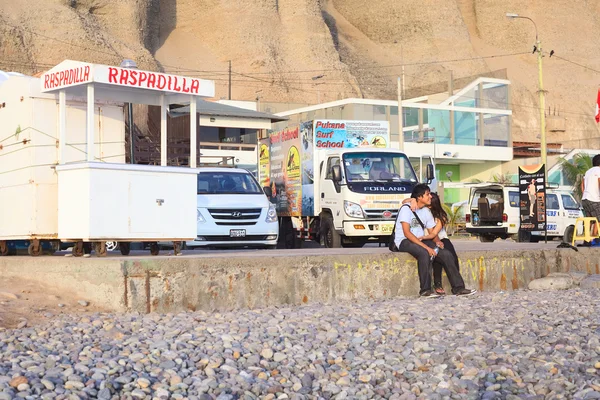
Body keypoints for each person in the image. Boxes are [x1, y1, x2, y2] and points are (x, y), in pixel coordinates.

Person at [392, 184, 476, 298]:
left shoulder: (426, 211)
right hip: (404, 240)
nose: (430, 196)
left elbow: (432, 232)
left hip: (420, 239)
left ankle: (458, 288)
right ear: (420, 197)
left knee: (446, 253)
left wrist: (437, 242)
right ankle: (425, 290)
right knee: (424, 253)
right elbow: (407, 233)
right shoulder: (406, 209)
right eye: (427, 194)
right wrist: (427, 247)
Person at [404, 192, 460, 295]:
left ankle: (456, 284)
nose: (427, 206)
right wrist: (412, 200)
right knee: (435, 255)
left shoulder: (440, 216)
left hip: (440, 238)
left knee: (450, 256)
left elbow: (434, 233)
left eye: (429, 205)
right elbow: (404, 202)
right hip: (427, 238)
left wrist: (437, 242)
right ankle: (437, 284)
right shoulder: (420, 210)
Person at [581, 154, 600, 238]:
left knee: (589, 220)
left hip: (585, 199)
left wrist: (585, 193)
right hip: (594, 199)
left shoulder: (588, 171)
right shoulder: (599, 170)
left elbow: (582, 185)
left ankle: (587, 239)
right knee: (598, 219)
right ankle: (594, 238)